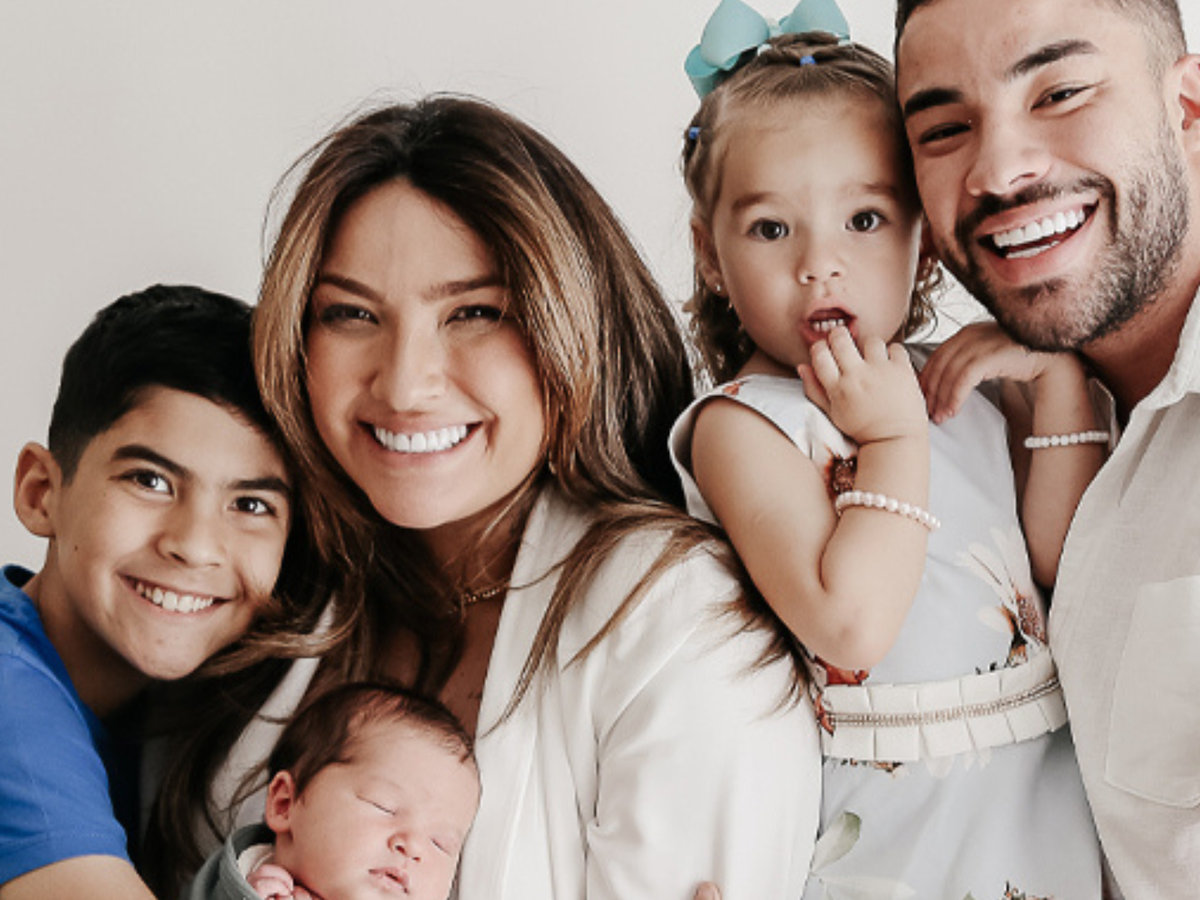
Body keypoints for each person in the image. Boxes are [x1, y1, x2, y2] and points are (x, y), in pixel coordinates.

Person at [152, 95, 821, 900]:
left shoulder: (675, 620)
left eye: (474, 312)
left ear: (572, 322)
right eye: (351, 314)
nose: (405, 384)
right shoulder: (263, 580)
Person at [671, 13, 1106, 897]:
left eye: (864, 219)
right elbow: (850, 626)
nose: (819, 264)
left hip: (1039, 801)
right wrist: (894, 438)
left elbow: (1069, 564)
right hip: (895, 825)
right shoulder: (744, 425)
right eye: (770, 229)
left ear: (925, 239)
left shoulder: (961, 385)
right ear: (709, 254)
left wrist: (1057, 380)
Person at [894, 0, 1200, 896]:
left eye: (1060, 92)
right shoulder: (951, 430)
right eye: (945, 130)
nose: (999, 171)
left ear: (1188, 109)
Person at [0, 285, 318, 900]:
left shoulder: (162, 718)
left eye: (251, 504)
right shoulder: (10, 697)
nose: (194, 546)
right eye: (150, 480)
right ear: (42, 492)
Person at [187, 682, 479, 900]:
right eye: (384, 806)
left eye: (441, 844)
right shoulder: (242, 879)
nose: (413, 847)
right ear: (284, 804)